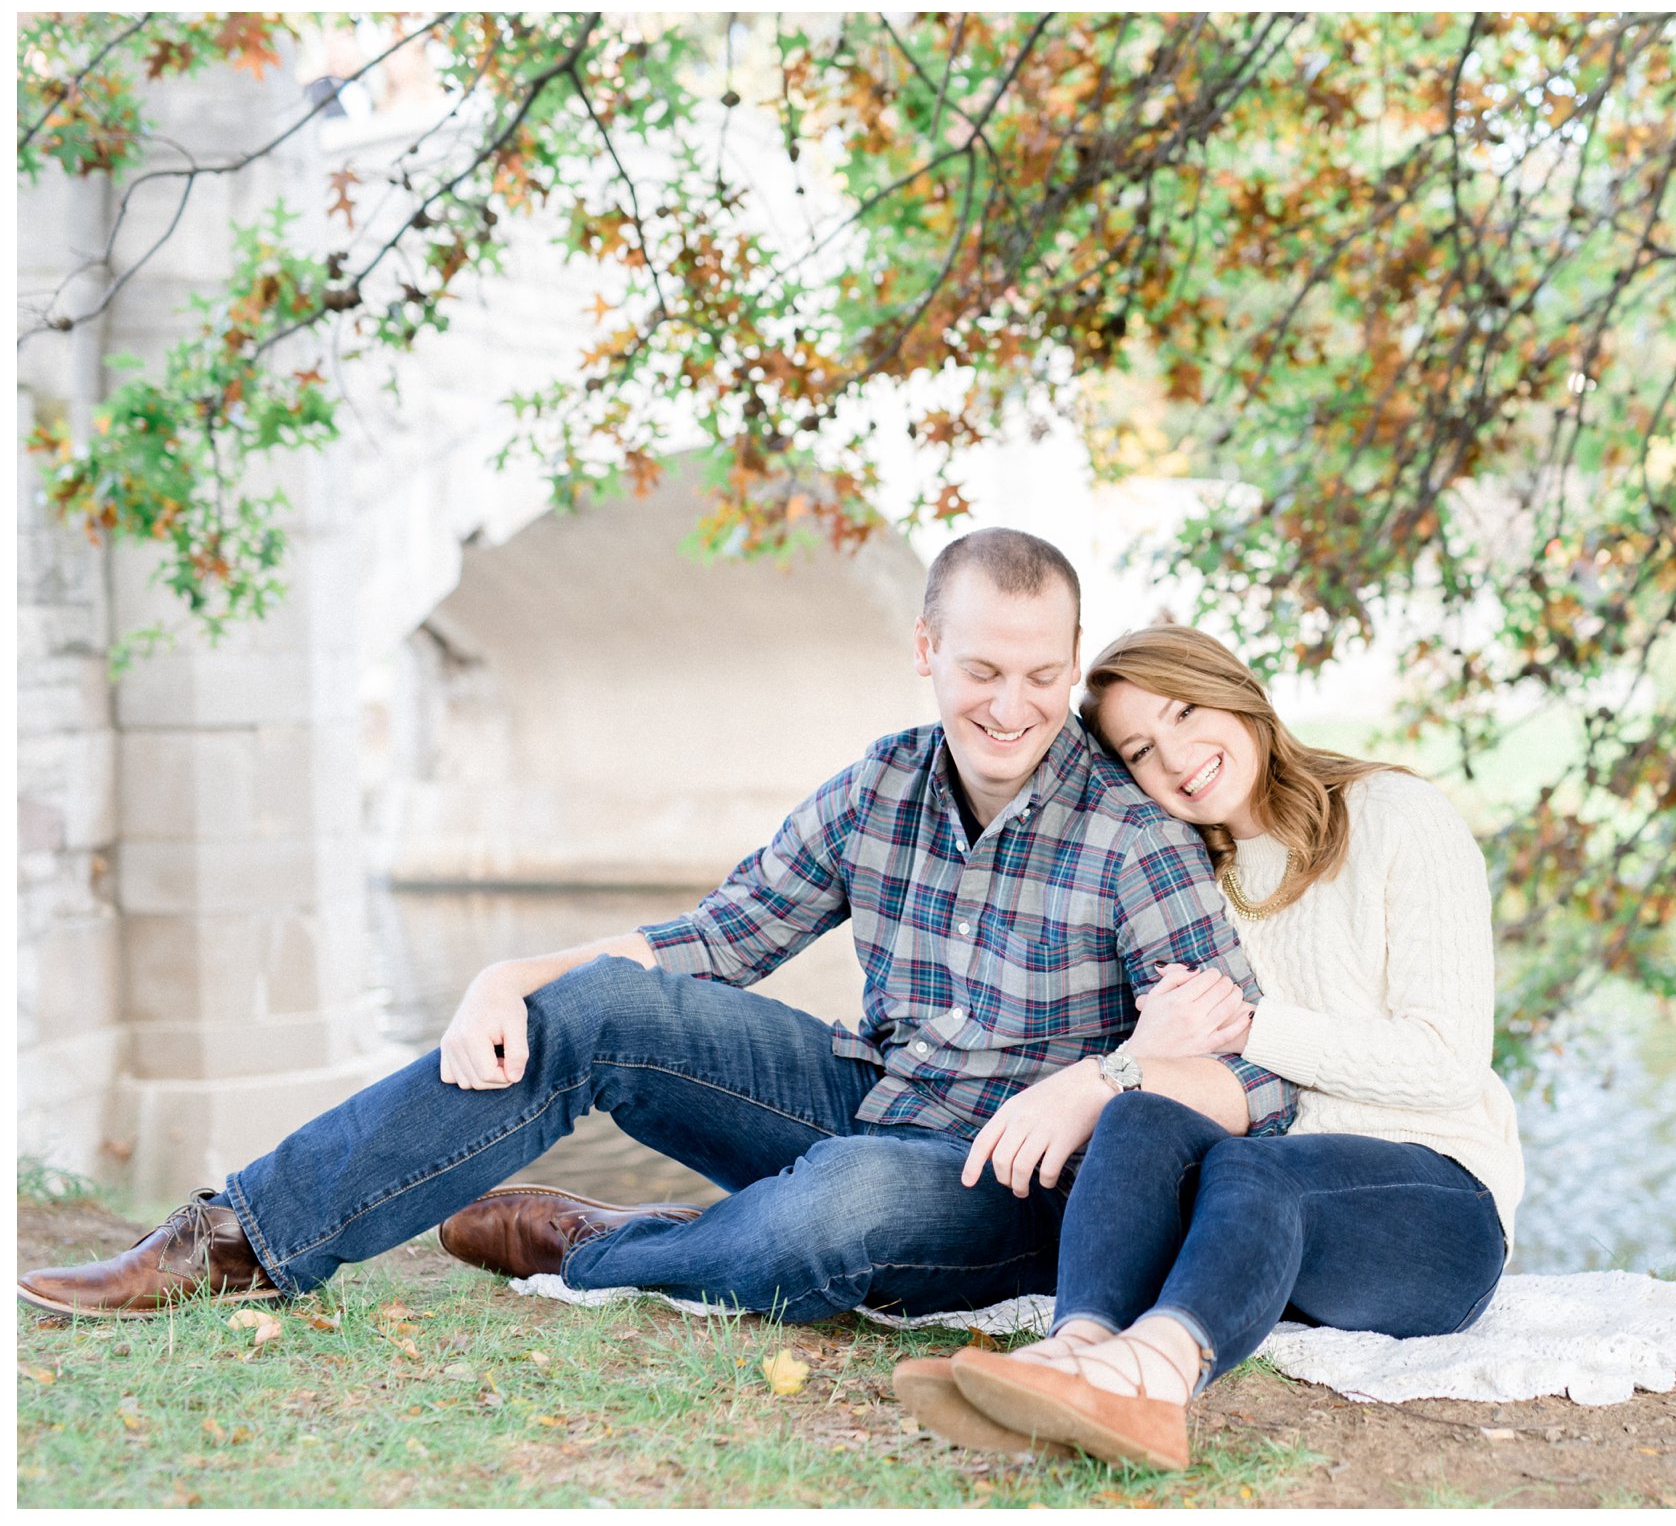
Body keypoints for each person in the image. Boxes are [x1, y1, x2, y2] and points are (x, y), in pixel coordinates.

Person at [16, 531, 1295, 1323]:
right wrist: (512, 971)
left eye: (1042, 673)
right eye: (983, 670)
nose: (1013, 706)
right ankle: (245, 1234)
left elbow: (1255, 1081)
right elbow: (713, 941)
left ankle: (604, 1243)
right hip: (867, 1095)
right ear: (927, 650)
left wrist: (1103, 1081)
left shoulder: (1134, 834)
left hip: (1003, 1187)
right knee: (607, 1012)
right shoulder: (883, 782)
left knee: (837, 1205)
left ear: (1069, 662)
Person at [898, 625, 1523, 1470]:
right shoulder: (1190, 875)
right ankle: (1069, 1353)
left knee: (1248, 1166)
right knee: (1139, 1117)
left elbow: (1446, 1062)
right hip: (1271, 1210)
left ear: (1238, 692)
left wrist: (1253, 1023)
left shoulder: (1396, 816)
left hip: (1437, 1210)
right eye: (1142, 749)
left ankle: (1152, 1383)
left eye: (1186, 711)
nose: (1178, 756)